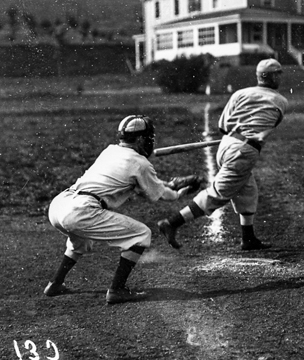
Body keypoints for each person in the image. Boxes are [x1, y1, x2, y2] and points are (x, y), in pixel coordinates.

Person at [44, 115, 199, 304]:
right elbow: (157, 194)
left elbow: (140, 184)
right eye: (148, 137)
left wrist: (169, 183)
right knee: (141, 235)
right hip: (81, 210)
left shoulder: (110, 151)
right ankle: (117, 290)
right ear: (141, 139)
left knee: (81, 241)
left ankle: (55, 283)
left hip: (60, 205)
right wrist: (178, 191)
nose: (150, 141)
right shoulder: (140, 164)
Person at [157, 58, 289, 251]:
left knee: (248, 189)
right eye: (278, 73)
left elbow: (222, 126)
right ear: (273, 76)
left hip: (227, 144)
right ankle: (172, 222)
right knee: (218, 194)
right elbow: (266, 127)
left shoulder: (239, 94)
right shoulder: (281, 102)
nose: (280, 77)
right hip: (244, 151)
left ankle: (248, 238)